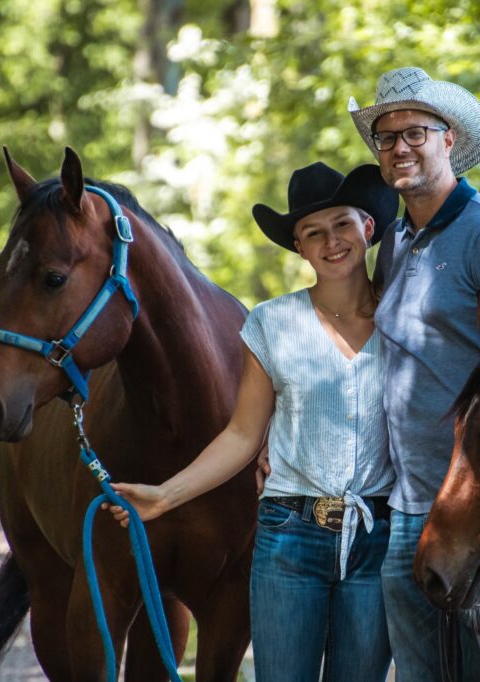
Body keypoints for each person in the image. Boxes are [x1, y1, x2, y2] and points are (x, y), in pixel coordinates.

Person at [106, 162, 399, 682]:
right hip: (291, 536)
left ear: (368, 228)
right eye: (313, 233)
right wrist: (166, 495)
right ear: (299, 248)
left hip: (377, 535)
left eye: (342, 225)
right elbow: (243, 433)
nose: (331, 241)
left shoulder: (402, 319)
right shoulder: (272, 322)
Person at [347, 67, 480, 681]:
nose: (399, 147)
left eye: (415, 132)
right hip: (409, 505)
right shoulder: (398, 238)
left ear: (448, 139)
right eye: (386, 138)